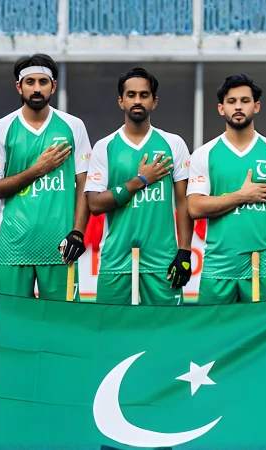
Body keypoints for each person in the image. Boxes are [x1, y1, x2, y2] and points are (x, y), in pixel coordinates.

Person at [0, 54, 92, 300]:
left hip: (61, 247)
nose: (36, 88)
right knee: (11, 320)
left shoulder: (73, 126)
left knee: (63, 320)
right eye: (30, 82)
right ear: (19, 86)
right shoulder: (1, 128)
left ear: (53, 86)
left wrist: (77, 233)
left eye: (43, 82)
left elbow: (84, 185)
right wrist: (38, 169)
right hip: (13, 247)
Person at [85, 68, 193, 305]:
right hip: (116, 258)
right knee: (111, 325)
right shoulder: (104, 146)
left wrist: (185, 252)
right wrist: (141, 180)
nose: (137, 101)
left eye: (144, 95)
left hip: (162, 260)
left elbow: (184, 203)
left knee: (168, 324)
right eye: (131, 95)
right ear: (121, 101)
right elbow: (95, 204)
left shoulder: (174, 144)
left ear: (154, 101)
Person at [186, 74, 266, 304]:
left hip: (264, 263)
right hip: (218, 263)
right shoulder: (204, 154)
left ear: (256, 106)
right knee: (214, 328)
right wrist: (241, 196)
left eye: (245, 101)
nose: (238, 106)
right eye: (231, 101)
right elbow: (195, 207)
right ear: (221, 108)